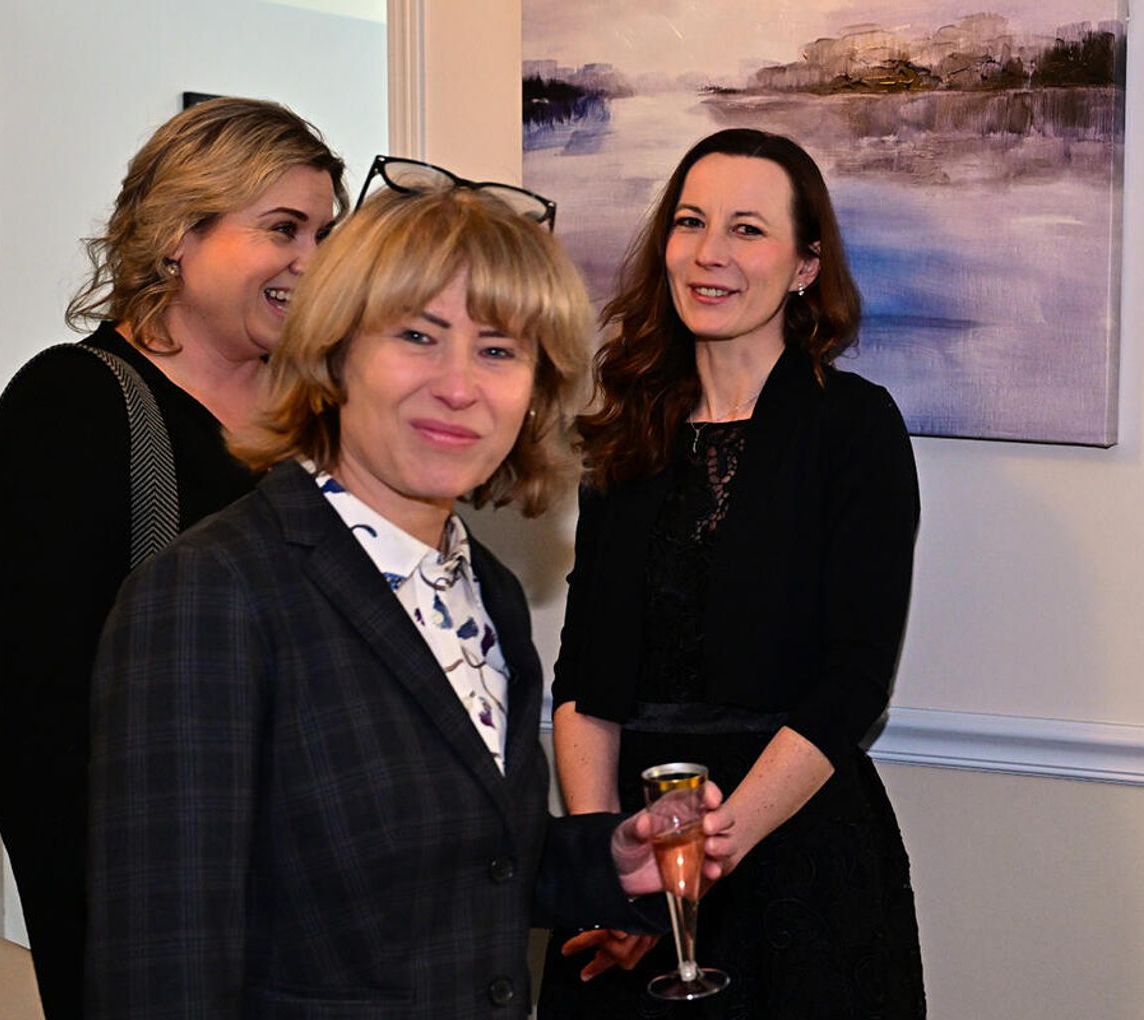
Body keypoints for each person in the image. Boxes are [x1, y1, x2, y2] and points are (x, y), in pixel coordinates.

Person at [84, 170, 736, 1018]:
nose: (459, 386)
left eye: (498, 351)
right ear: (334, 354)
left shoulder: (488, 593)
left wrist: (607, 862)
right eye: (419, 336)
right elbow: (161, 970)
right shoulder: (211, 594)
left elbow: (469, 863)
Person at [538, 128, 926, 1019]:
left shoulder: (855, 427)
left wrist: (698, 864)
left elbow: (854, 683)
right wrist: (608, 872)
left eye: (747, 229)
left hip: (789, 856)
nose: (709, 253)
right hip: (631, 853)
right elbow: (584, 680)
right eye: (691, 222)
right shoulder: (626, 425)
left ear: (804, 266)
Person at [0, 96, 345, 1020]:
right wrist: (113, 938)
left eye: (324, 234)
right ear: (180, 234)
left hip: (327, 918)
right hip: (163, 927)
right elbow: (32, 726)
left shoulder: (323, 419)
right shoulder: (73, 408)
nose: (313, 261)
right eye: (283, 229)